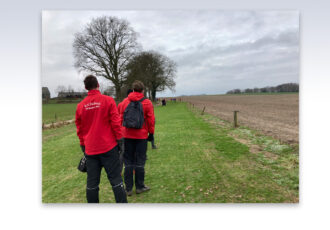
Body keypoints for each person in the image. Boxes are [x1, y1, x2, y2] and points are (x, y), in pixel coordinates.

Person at [75, 75, 127, 203]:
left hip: (91, 150)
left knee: (92, 183)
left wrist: (83, 146)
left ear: (86, 87)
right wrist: (120, 141)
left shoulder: (81, 106)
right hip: (108, 147)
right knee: (116, 180)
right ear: (98, 84)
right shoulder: (108, 100)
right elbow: (116, 123)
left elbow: (80, 129)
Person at [118, 80, 155, 196]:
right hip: (141, 136)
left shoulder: (124, 102)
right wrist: (151, 133)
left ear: (133, 90)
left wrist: (120, 133)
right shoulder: (147, 103)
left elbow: (119, 119)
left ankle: (128, 189)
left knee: (128, 162)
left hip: (127, 135)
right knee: (140, 161)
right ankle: (139, 186)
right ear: (143, 90)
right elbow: (150, 120)